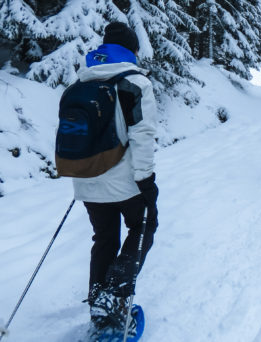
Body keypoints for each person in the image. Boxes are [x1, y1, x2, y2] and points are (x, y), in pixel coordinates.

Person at [72, 22, 158, 335]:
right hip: (126, 182)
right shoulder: (135, 82)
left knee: (104, 238)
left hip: (87, 179)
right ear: (131, 50)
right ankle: (116, 295)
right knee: (144, 225)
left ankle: (99, 305)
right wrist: (145, 180)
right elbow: (143, 134)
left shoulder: (82, 81)